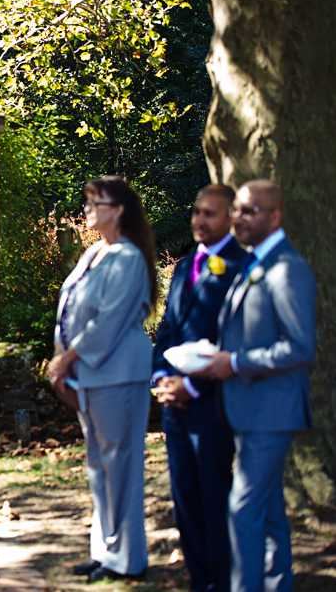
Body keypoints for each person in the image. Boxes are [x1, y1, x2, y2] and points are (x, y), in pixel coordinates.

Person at [194, 179, 316, 592]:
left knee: (242, 510)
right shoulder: (253, 262)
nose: (238, 218)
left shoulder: (287, 268)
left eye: (250, 211)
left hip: (273, 410)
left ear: (274, 216)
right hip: (246, 408)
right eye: (237, 210)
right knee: (268, 513)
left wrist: (235, 362)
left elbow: (300, 348)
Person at [47, 175, 157, 583]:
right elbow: (70, 309)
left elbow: (108, 321)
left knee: (120, 462)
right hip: (88, 373)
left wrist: (67, 359)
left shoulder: (128, 258)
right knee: (97, 463)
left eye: (97, 202)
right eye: (87, 202)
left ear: (120, 210)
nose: (88, 209)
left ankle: (129, 559)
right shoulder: (94, 251)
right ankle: (104, 551)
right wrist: (62, 357)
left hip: (118, 373)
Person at [152, 184, 246, 592]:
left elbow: (236, 338)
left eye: (210, 213)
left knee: (213, 494)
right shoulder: (183, 267)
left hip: (214, 403)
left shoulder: (242, 267)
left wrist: (192, 386)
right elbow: (168, 330)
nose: (199, 220)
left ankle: (220, 580)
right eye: (196, 212)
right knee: (184, 497)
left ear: (229, 218)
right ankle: (198, 579)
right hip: (174, 403)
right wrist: (162, 379)